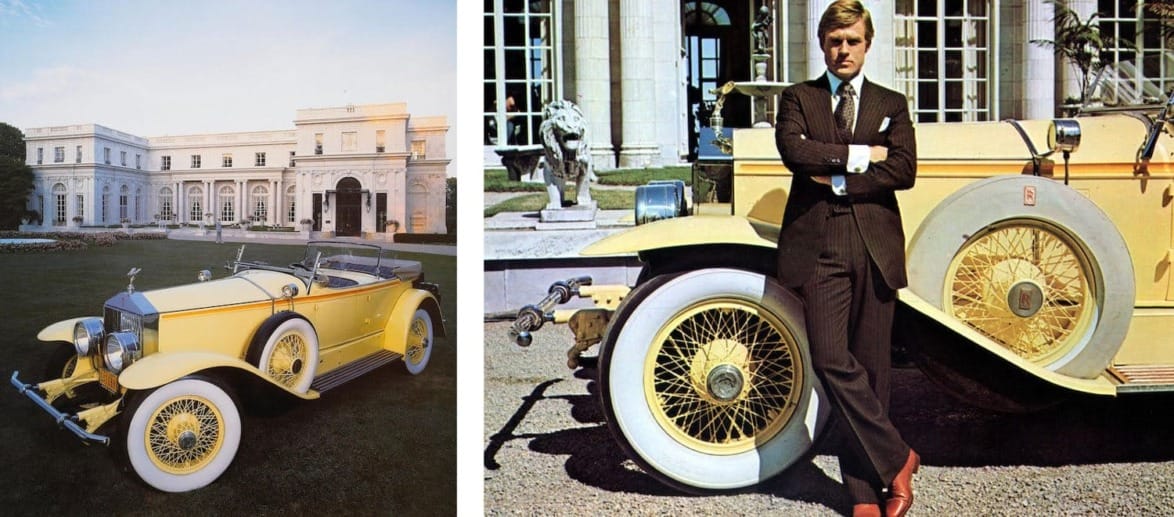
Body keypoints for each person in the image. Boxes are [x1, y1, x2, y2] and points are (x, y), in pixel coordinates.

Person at [773, 2, 919, 516]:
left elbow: (903, 169)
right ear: (822, 44)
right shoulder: (799, 98)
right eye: (835, 42)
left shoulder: (892, 103)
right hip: (820, 247)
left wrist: (833, 170)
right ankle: (898, 458)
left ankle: (868, 494)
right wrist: (862, 156)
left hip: (875, 245)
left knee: (874, 373)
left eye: (852, 41)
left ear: (867, 43)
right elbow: (795, 152)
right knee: (832, 359)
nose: (843, 51)